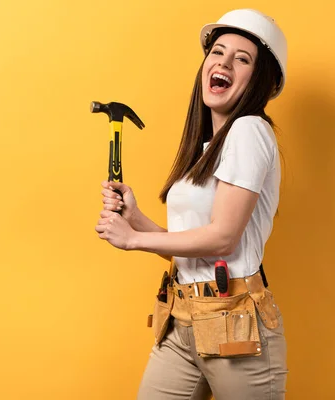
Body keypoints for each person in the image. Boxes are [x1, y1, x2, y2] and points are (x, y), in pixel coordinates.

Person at [94, 9, 289, 400]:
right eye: (217, 52)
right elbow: (191, 246)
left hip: (235, 322)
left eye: (242, 58)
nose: (223, 62)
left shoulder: (250, 130)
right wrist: (137, 219)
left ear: (260, 79)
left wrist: (132, 239)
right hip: (181, 318)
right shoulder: (204, 150)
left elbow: (222, 239)